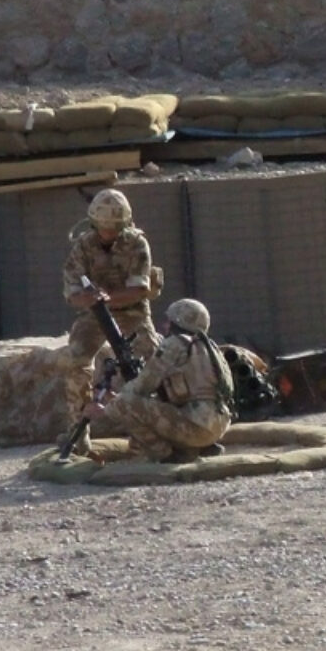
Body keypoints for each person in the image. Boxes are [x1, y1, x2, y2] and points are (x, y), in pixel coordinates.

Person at [61, 189, 161, 446]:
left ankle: (150, 430)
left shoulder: (137, 244)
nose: (108, 233)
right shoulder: (83, 245)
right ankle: (78, 431)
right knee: (75, 362)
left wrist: (107, 298)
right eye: (104, 228)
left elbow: (139, 289)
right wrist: (91, 301)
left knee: (149, 366)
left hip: (132, 313)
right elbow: (72, 293)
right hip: (93, 315)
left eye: (114, 228)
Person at [91, 298, 234, 463]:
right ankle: (195, 448)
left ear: (177, 322)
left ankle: (166, 455)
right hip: (218, 426)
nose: (165, 325)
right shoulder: (211, 348)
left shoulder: (175, 344)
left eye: (169, 321)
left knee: (123, 404)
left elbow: (142, 386)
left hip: (195, 427)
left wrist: (109, 407)